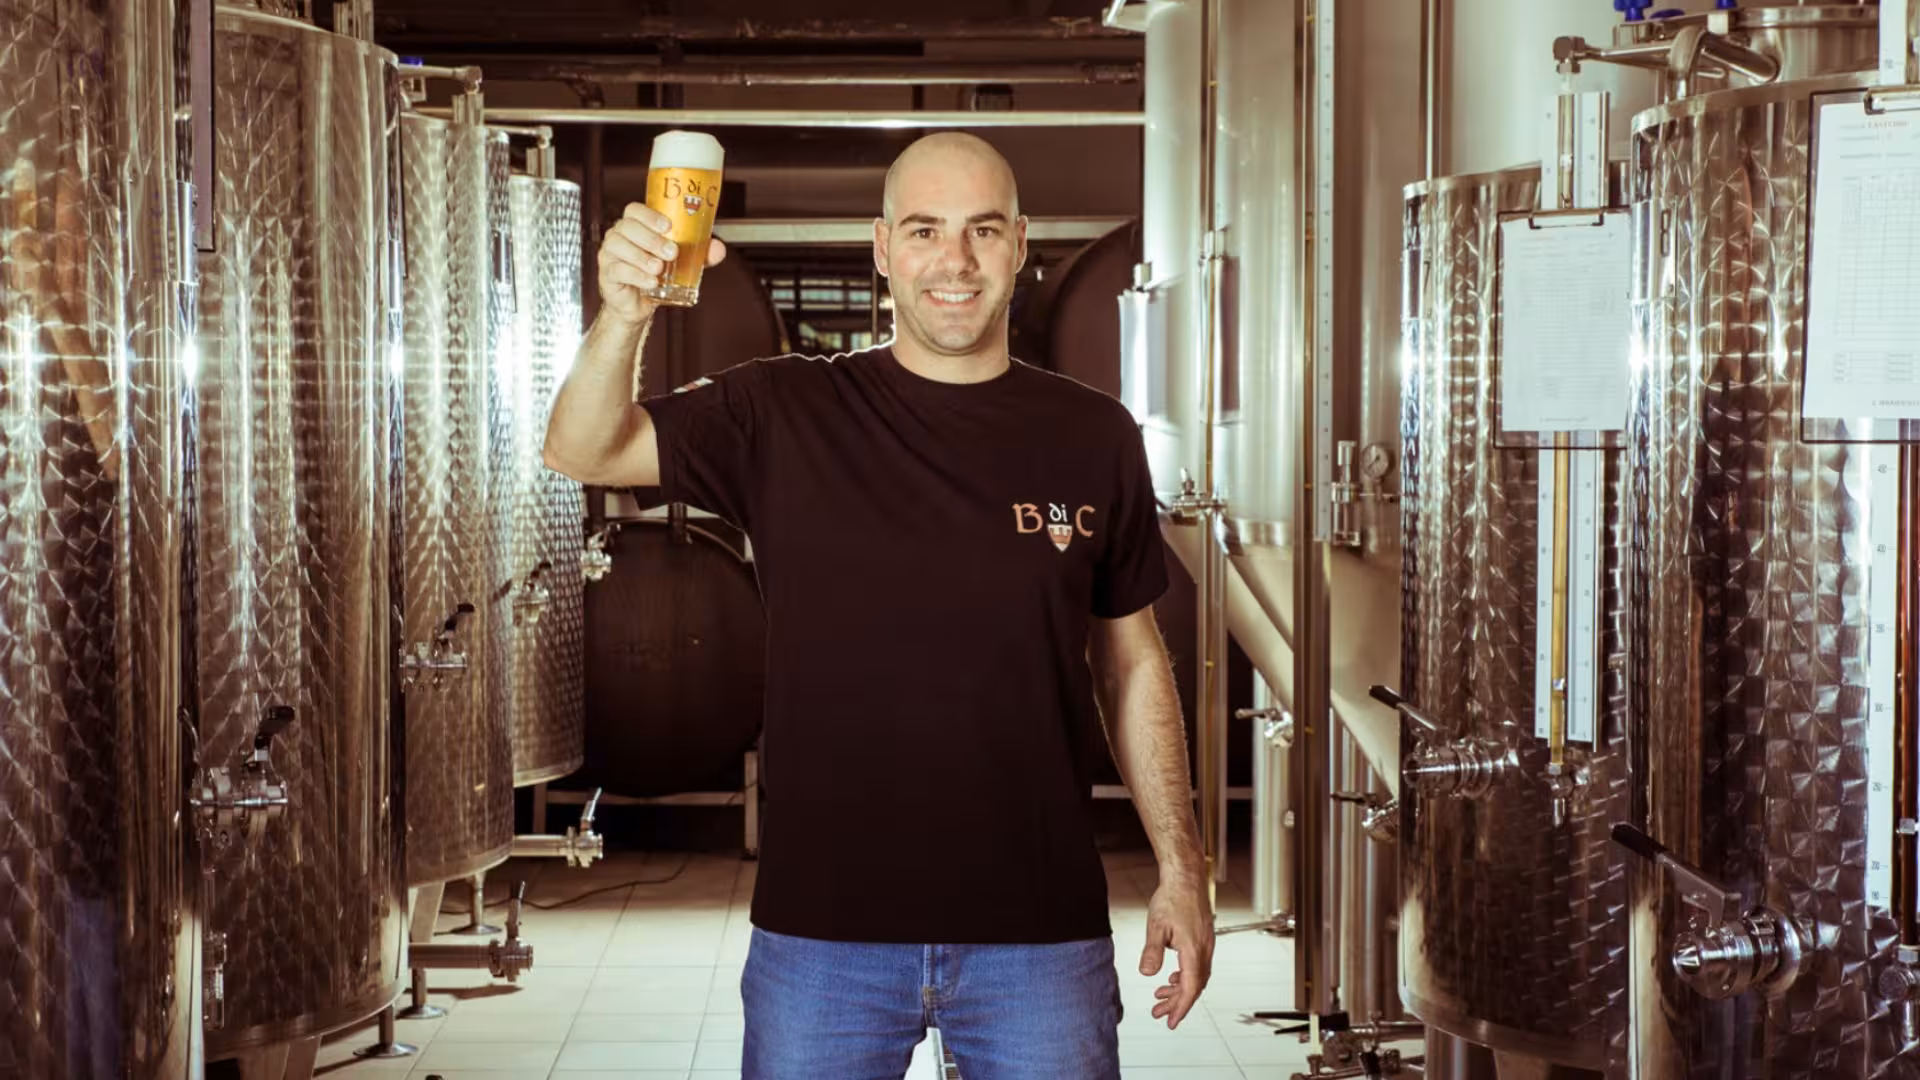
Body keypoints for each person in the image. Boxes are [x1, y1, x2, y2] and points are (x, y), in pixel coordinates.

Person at [543, 132, 1214, 1080]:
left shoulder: (1091, 432)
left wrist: (1183, 871)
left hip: (1040, 935)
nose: (956, 260)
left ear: (1021, 245)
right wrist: (623, 316)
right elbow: (583, 449)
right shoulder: (781, 412)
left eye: (984, 230)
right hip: (823, 938)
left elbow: (1134, 660)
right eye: (926, 229)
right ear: (880, 246)